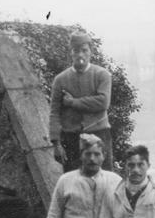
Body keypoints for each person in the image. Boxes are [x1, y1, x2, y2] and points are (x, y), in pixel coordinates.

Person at [49, 31, 114, 172]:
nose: (80, 55)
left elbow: (103, 102)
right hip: (71, 140)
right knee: (73, 184)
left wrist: (73, 102)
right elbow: (54, 112)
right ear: (70, 53)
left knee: (105, 181)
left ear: (91, 52)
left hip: (100, 135)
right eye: (76, 51)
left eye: (84, 50)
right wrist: (56, 143)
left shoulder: (102, 75)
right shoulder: (60, 80)